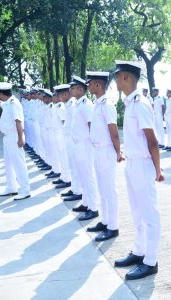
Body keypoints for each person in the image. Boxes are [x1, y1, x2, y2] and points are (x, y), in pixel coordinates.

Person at [112, 60, 164, 280]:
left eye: (117, 76)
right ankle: (139, 251)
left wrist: (157, 170)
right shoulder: (129, 103)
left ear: (126, 77)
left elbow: (152, 141)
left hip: (143, 164)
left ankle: (150, 261)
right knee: (137, 212)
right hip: (132, 163)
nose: (115, 80)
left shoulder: (141, 103)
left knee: (150, 214)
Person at [85, 71, 123, 241]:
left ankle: (113, 226)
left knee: (110, 190)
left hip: (107, 151)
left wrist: (118, 151)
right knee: (102, 188)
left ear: (98, 85)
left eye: (91, 83)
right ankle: (106, 221)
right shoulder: (97, 104)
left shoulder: (107, 105)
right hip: (98, 150)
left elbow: (113, 132)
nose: (89, 86)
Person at [0, 82, 30, 201]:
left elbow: (18, 121)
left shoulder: (14, 104)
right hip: (8, 137)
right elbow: (0, 103)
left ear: (1, 93)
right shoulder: (9, 102)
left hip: (14, 136)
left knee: (19, 164)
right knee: (9, 164)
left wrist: (20, 138)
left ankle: (25, 190)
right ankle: (11, 187)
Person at [69, 75, 100, 220]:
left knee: (88, 176)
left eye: (73, 88)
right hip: (78, 144)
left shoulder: (86, 104)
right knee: (82, 176)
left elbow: (91, 124)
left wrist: (93, 143)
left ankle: (93, 208)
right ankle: (86, 203)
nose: (70, 90)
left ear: (81, 90)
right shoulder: (78, 104)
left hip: (85, 144)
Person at [61, 84, 83, 201]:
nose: (60, 97)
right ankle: (75, 188)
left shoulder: (74, 105)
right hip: (70, 139)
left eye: (72, 88)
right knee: (72, 166)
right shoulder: (70, 105)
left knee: (75, 166)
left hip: (74, 139)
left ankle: (78, 191)